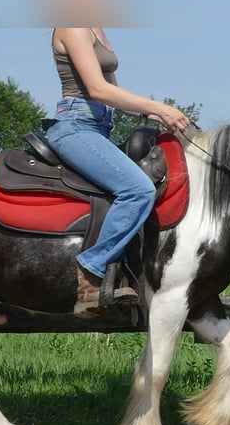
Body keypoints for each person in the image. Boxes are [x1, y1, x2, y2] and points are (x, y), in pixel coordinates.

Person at [45, 27, 191, 316]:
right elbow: (97, 89)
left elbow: (113, 94)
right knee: (137, 189)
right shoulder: (72, 26)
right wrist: (159, 107)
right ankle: (89, 273)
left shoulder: (96, 28)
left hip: (99, 126)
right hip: (75, 126)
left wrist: (154, 113)